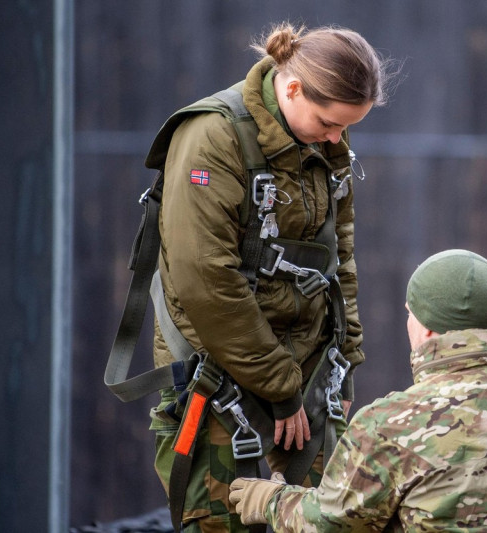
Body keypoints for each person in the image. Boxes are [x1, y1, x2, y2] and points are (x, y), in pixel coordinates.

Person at [146, 22, 393, 532]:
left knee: (333, 519)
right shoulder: (212, 137)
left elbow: (337, 260)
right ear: (293, 88)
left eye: (348, 127)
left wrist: (345, 360)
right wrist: (278, 386)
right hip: (216, 375)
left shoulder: (325, 144)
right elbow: (205, 282)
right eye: (329, 122)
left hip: (307, 373)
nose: (336, 137)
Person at [229, 249, 487, 532]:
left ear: (427, 329)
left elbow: (331, 523)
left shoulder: (391, 423)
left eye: (410, 313)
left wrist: (270, 500)